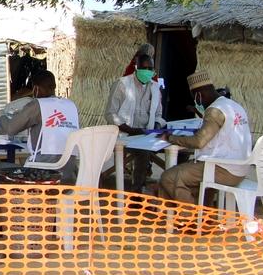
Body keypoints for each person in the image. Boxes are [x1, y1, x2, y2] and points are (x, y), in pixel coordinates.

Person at [159, 72, 251, 204]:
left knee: (169, 178)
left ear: (198, 95)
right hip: (239, 168)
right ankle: (202, 212)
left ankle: (190, 216)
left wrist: (170, 138)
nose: (196, 102)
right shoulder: (233, 105)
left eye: (195, 98)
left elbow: (199, 141)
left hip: (224, 170)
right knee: (191, 172)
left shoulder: (215, 110)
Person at [0, 70, 80, 182]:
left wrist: (1, 116)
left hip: (43, 174)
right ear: (54, 86)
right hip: (68, 176)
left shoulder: (38, 105)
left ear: (36, 89)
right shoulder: (71, 106)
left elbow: (10, 128)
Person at [105, 52, 165, 192]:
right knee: (143, 152)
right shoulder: (122, 85)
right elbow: (110, 113)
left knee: (175, 148)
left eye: (150, 69)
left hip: (146, 134)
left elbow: (159, 114)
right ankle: (136, 191)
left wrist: (155, 127)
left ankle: (157, 189)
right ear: (137, 68)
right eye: (145, 68)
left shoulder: (155, 88)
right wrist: (131, 130)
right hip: (125, 134)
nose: (148, 72)